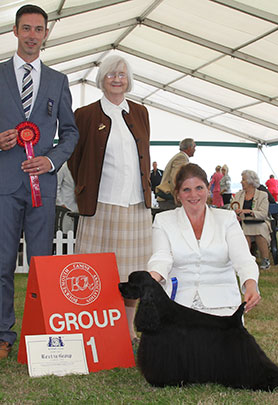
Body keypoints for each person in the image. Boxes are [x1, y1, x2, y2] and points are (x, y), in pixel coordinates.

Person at [0, 4, 78, 359]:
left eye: (38, 29)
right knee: (1, 264)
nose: (32, 35)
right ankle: (3, 334)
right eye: (26, 28)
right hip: (4, 187)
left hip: (42, 189)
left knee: (43, 265)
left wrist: (51, 160)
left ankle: (42, 334)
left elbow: (72, 133)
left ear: (46, 34)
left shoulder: (58, 81)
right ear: (14, 32)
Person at [68, 55, 152, 344]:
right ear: (101, 79)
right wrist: (85, 187)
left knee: (131, 274)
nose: (117, 79)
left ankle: (128, 331)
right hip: (101, 205)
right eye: (111, 74)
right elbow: (75, 158)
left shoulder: (140, 112)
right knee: (96, 271)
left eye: (122, 74)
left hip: (135, 206)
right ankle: (95, 328)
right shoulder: (85, 114)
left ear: (129, 80)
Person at [148, 163, 260, 317]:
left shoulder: (227, 219)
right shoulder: (163, 221)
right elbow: (161, 258)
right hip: (178, 306)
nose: (193, 195)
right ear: (178, 194)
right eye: (186, 189)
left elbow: (243, 259)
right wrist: (150, 281)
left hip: (223, 307)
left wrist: (251, 285)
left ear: (208, 189)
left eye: (199, 188)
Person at [231, 170, 271, 270]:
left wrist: (249, 211)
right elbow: (232, 208)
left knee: (259, 230)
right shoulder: (238, 194)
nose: (241, 182)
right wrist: (236, 213)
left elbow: (263, 214)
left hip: (259, 221)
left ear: (250, 182)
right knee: (245, 232)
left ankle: (265, 259)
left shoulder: (262, 195)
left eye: (243, 180)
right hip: (244, 222)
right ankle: (246, 260)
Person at [156, 138, 196, 210]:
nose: (195, 150)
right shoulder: (181, 158)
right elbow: (175, 178)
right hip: (170, 200)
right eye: (194, 147)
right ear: (189, 148)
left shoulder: (180, 156)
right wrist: (179, 197)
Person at [56, 162, 78, 233]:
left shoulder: (86, 167)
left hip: (80, 211)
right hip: (65, 210)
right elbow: (56, 187)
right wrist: (61, 204)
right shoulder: (64, 166)